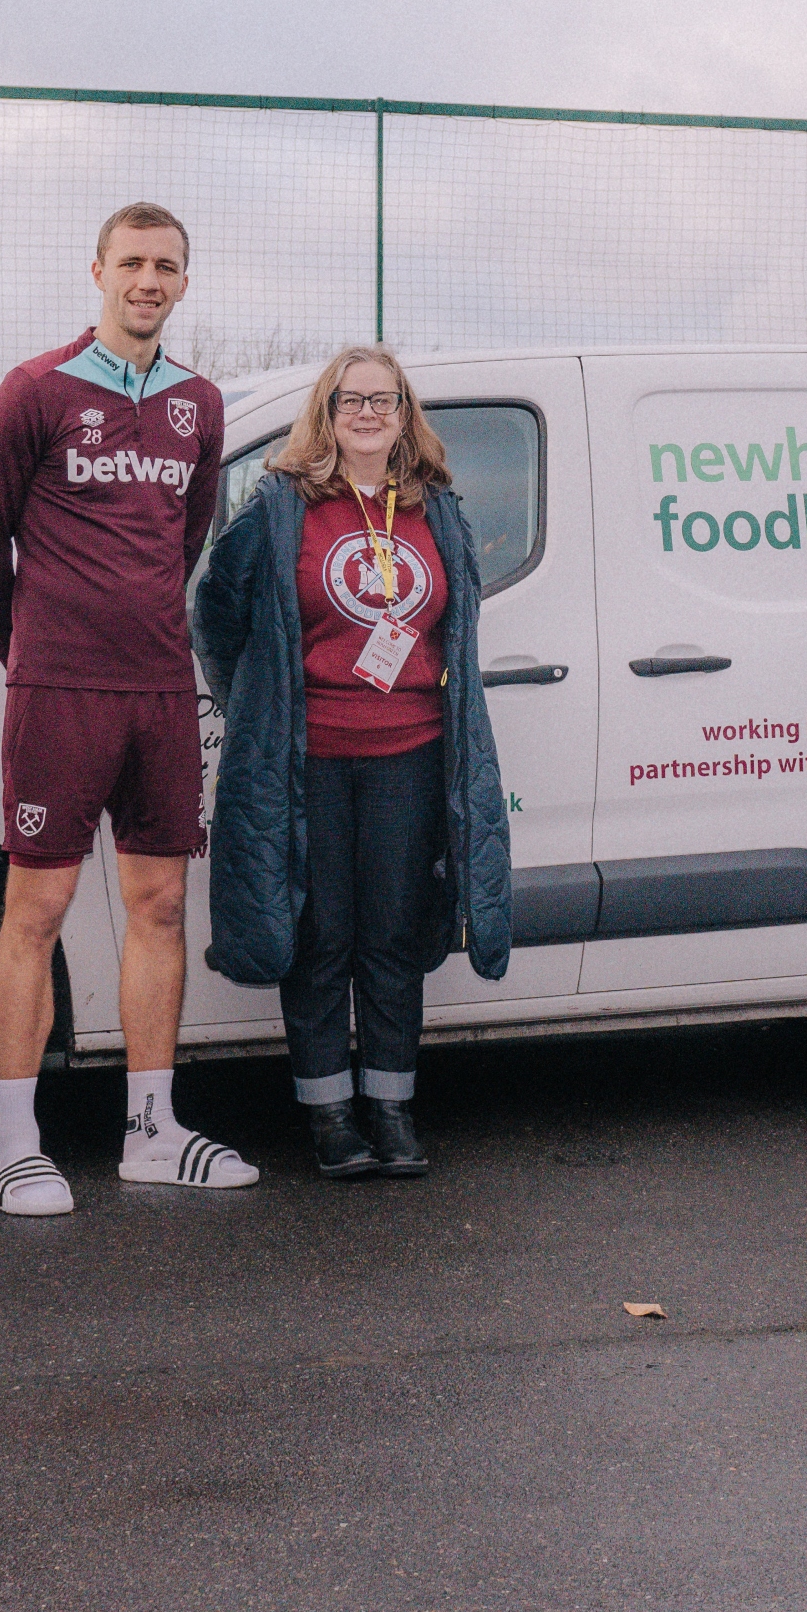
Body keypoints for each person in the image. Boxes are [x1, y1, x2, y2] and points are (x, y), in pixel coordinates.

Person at [0, 203, 250, 1214]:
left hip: (160, 688)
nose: (148, 279)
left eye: (166, 264)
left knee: (159, 906)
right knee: (32, 911)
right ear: (96, 270)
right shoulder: (35, 389)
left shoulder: (198, 404)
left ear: (182, 280)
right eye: (131, 261)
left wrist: (131, 640)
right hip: (58, 690)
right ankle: (16, 1142)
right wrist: (31, 654)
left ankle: (150, 1130)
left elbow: (184, 540)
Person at [196, 346, 518, 1178]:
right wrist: (257, 706)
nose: (368, 413)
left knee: (393, 938)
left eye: (385, 400)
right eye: (351, 400)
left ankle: (391, 1105)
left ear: (407, 414)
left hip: (410, 756)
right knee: (319, 937)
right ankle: (330, 1113)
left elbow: (458, 623)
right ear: (326, 413)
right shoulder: (281, 508)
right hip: (312, 760)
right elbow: (216, 614)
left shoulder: (436, 510)